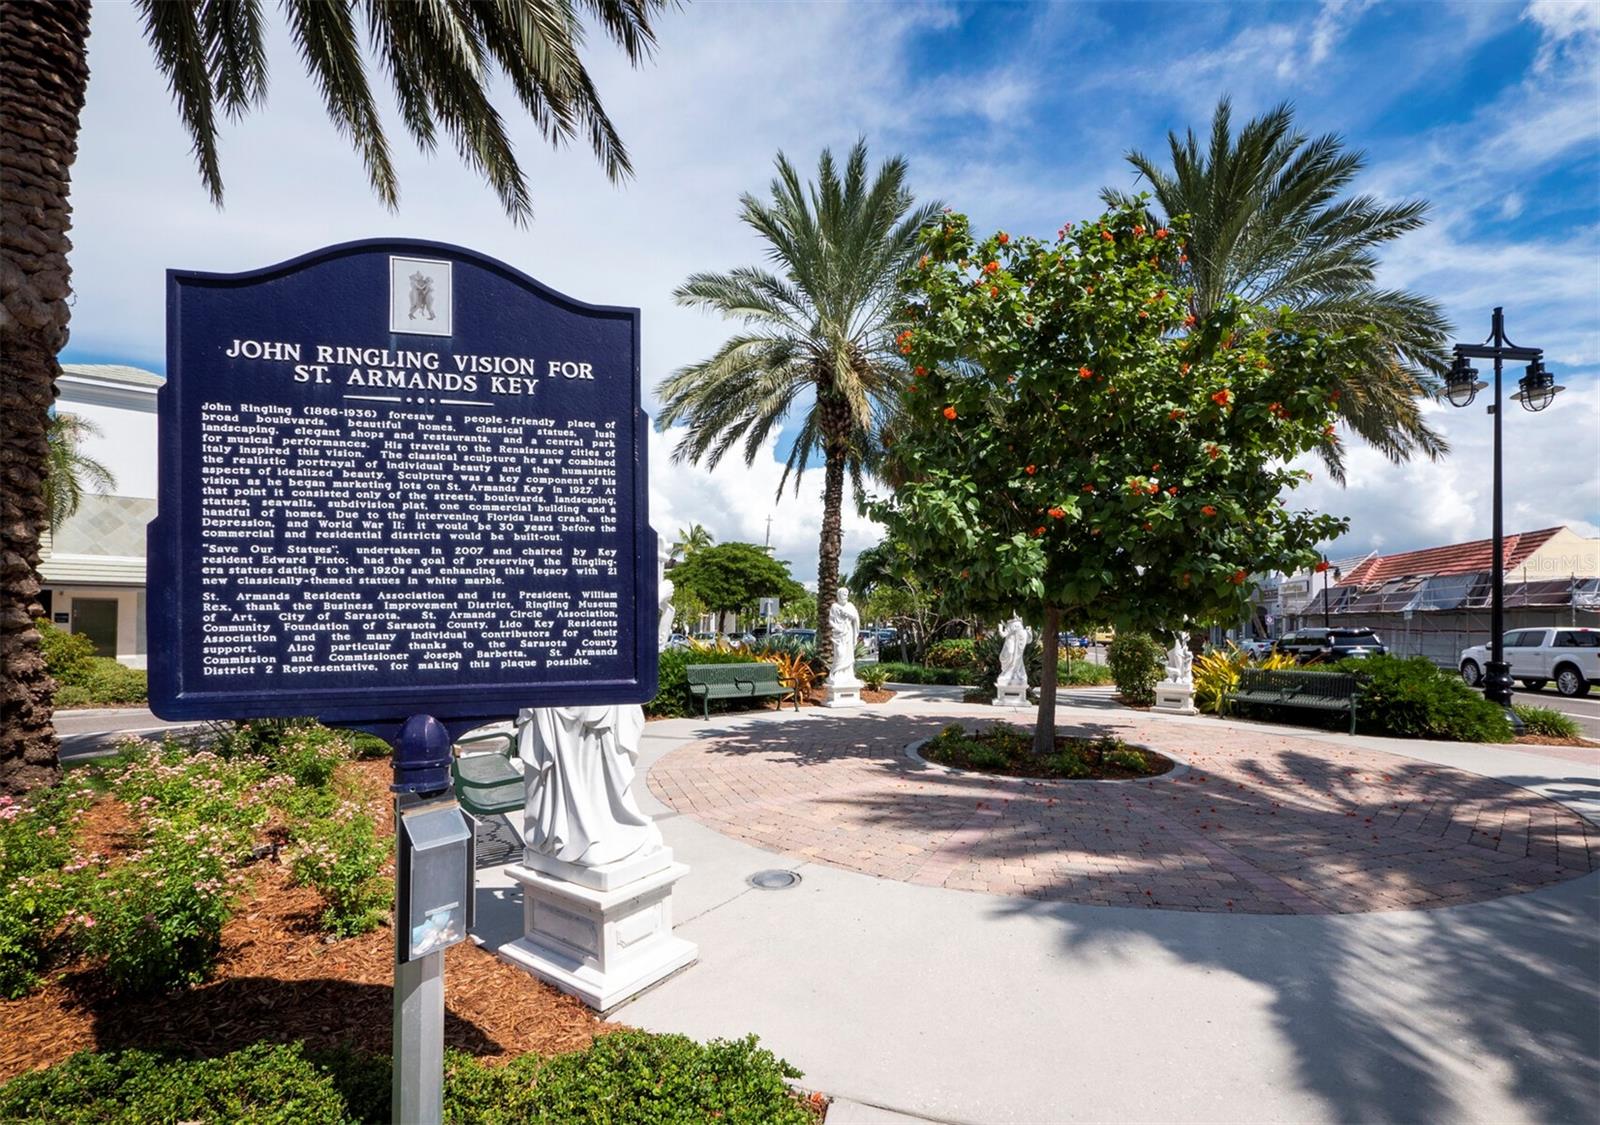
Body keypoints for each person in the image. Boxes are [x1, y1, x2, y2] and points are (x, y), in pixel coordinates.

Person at [517, 704, 663, 868]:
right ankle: (583, 832)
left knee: (597, 770)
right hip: (562, 702)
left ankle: (590, 830)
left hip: (582, 702)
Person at [827, 587, 860, 686]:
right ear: (839, 595)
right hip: (838, 635)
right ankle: (836, 674)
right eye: (843, 594)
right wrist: (838, 628)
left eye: (847, 594)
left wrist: (847, 614)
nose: (846, 595)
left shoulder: (850, 606)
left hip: (848, 633)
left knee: (848, 655)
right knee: (840, 654)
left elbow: (855, 618)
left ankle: (848, 675)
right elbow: (831, 621)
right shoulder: (834, 606)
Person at [997, 614, 1030, 687]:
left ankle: (1014, 673)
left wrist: (1028, 631)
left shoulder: (1020, 625)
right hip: (1010, 641)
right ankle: (1007, 672)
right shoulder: (1009, 625)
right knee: (1009, 652)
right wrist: (1000, 628)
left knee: (1017, 657)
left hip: (1018, 643)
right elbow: (1003, 634)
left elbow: (1027, 639)